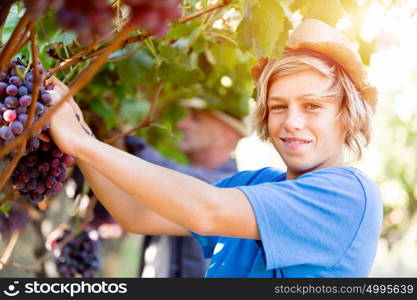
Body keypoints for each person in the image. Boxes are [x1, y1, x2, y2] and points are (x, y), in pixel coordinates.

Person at [47, 18, 382, 277]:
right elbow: (136, 214)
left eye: (312, 106)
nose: (292, 121)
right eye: (279, 106)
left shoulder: (347, 195)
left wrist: (79, 142)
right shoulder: (254, 185)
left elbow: (206, 211)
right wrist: (80, 136)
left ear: (348, 118)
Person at [124, 98, 246, 277]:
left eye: (196, 120)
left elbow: (172, 179)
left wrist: (126, 142)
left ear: (224, 135)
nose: (182, 124)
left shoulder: (228, 189)